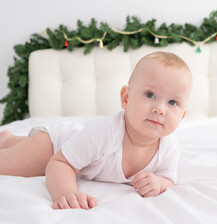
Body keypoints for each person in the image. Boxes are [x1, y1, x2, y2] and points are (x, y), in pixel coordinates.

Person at [0, 51, 193, 210]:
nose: (160, 108)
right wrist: (67, 193)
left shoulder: (168, 147)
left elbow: (168, 179)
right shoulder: (104, 133)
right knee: (9, 165)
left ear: (182, 116)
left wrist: (158, 184)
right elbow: (60, 163)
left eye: (173, 102)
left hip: (75, 143)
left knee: (19, 151)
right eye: (150, 94)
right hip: (52, 146)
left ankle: (9, 140)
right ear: (126, 98)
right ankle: (18, 144)